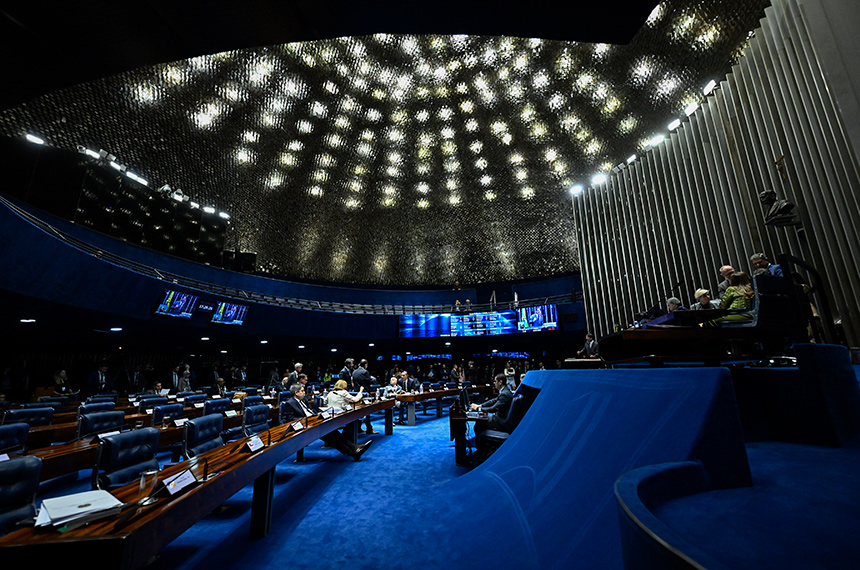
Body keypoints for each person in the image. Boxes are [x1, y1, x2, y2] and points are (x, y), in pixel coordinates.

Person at [281, 384, 372, 461]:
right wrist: (307, 420)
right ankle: (354, 450)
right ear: (296, 393)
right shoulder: (290, 403)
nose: (304, 392)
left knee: (331, 433)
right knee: (330, 435)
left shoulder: (304, 400)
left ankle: (354, 450)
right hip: (306, 426)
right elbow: (291, 419)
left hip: (314, 422)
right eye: (302, 391)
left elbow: (311, 411)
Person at [351, 360, 378, 434]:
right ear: (365, 365)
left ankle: (358, 428)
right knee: (367, 411)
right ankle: (369, 429)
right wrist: (373, 378)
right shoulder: (365, 372)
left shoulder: (354, 372)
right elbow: (370, 381)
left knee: (359, 411)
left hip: (356, 393)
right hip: (365, 394)